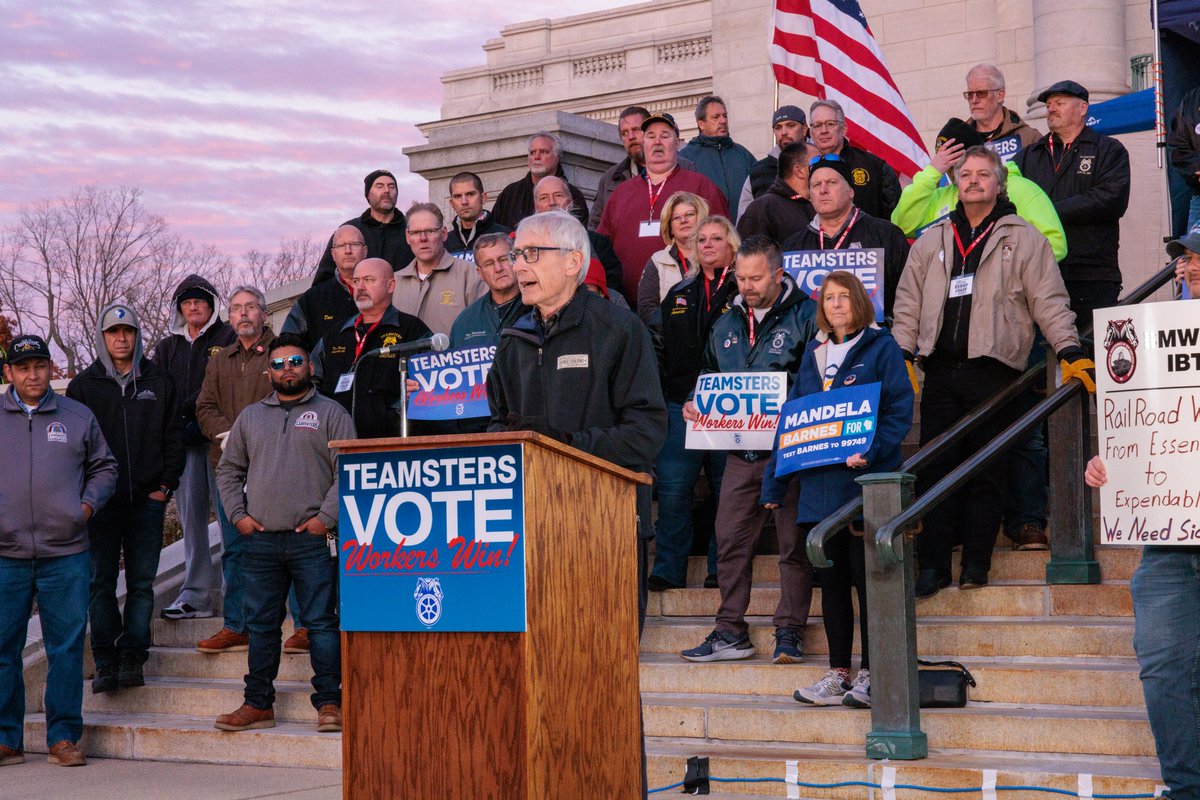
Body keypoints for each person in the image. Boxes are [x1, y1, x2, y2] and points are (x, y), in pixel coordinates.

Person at [891, 146, 1092, 597]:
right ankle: (934, 565)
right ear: (955, 183)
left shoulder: (1023, 237)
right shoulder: (933, 238)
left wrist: (1068, 349)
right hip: (940, 370)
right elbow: (907, 304)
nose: (974, 181)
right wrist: (902, 353)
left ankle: (976, 564)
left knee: (988, 471)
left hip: (997, 371)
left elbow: (1050, 301)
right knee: (935, 468)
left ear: (999, 184)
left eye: (984, 174)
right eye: (966, 174)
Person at [486, 210, 667, 628]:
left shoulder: (618, 329)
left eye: (530, 253)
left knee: (609, 668)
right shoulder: (513, 340)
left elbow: (646, 432)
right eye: (516, 255)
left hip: (606, 524)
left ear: (572, 263)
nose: (517, 266)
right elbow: (494, 422)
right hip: (533, 528)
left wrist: (562, 444)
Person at [1081, 230, 1200, 800]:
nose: (1189, 266)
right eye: (1184, 257)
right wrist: (1115, 463)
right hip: (1168, 537)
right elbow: (1147, 425)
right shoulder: (1151, 339)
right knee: (1163, 666)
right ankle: (1184, 786)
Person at [763, 273, 914, 707]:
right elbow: (792, 423)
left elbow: (898, 411)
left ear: (860, 303)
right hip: (819, 489)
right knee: (830, 585)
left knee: (868, 584)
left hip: (864, 487)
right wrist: (775, 481)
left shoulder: (881, 348)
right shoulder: (813, 354)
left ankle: (871, 672)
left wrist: (873, 450)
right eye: (829, 298)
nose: (836, 305)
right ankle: (837, 673)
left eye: (845, 297)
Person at [679, 236, 818, 664]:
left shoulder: (810, 315)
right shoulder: (726, 321)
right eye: (740, 277)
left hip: (792, 453)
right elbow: (708, 373)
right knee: (730, 541)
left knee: (794, 544)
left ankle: (790, 629)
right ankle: (729, 631)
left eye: (756, 278)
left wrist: (791, 410)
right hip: (741, 454)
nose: (747, 286)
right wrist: (695, 402)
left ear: (779, 274)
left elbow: (822, 378)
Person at [213, 333, 356, 734]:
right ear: (268, 371)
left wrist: (324, 519)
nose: (287, 369)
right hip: (259, 541)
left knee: (321, 624)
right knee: (261, 626)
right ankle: (258, 704)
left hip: (312, 540)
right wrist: (238, 516)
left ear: (309, 366)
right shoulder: (250, 417)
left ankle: (330, 703)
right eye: (278, 364)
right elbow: (228, 471)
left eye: (295, 361)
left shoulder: (332, 413)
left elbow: (348, 472)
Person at [0, 334, 117, 768]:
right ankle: (6, 738)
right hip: (5, 554)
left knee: (65, 647)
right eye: (23, 367)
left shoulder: (76, 415)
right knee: (2, 647)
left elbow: (105, 467)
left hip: (65, 552)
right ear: (8, 373)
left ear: (52, 369)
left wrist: (84, 507)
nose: (33, 375)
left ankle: (64, 736)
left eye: (40, 366)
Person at [66, 305, 183, 693]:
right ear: (102, 336)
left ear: (137, 335)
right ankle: (105, 660)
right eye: (113, 331)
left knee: (141, 583)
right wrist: (84, 498)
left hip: (146, 502)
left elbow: (173, 437)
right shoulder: (84, 387)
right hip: (100, 505)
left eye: (128, 331)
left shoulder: (159, 380)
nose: (121, 338)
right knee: (99, 583)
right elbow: (73, 447)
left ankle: (133, 656)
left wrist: (164, 486)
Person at [194, 287, 294, 655]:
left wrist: (253, 435)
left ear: (264, 314)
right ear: (231, 318)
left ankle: (301, 626)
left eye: (250, 307)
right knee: (234, 549)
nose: (243, 314)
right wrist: (231, 435)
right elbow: (204, 406)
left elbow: (290, 398)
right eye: (236, 309)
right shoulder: (220, 359)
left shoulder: (282, 353)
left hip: (275, 466)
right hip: (229, 469)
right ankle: (237, 625)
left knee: (289, 544)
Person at [650, 215, 740, 591]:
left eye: (716, 238)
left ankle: (721, 567)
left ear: (732, 245)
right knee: (672, 490)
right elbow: (659, 345)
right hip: (680, 403)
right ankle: (669, 567)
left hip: (730, 403)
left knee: (726, 489)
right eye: (701, 239)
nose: (707, 244)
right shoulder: (680, 293)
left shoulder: (745, 290)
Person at [1014, 80, 1130, 324]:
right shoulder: (1028, 156)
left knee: (1092, 351)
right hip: (1039, 270)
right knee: (1041, 355)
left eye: (1059, 103)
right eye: (1049, 104)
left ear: (1083, 108)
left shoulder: (1109, 150)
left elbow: (1111, 199)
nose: (1051, 108)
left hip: (1092, 271)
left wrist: (1048, 212)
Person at [154, 275, 235, 620]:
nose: (193, 307)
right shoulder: (166, 347)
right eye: (186, 302)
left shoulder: (228, 338)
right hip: (185, 447)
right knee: (192, 522)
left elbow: (222, 387)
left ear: (212, 304)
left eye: (199, 301)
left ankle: (237, 594)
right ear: (179, 308)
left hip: (222, 445)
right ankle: (195, 595)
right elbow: (157, 391)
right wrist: (177, 426)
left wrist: (195, 415)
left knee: (232, 519)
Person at [598, 113, 729, 306]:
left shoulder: (701, 186)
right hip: (627, 306)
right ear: (644, 143)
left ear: (677, 143)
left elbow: (725, 240)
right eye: (651, 136)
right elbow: (602, 246)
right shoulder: (621, 193)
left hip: (689, 303)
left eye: (665, 136)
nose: (657, 142)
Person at [891, 119, 1067, 261]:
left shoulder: (1021, 188)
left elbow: (1055, 244)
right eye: (945, 164)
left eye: (957, 163)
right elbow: (902, 226)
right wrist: (930, 174)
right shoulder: (938, 195)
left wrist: (1008, 269)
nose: (952, 172)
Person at [315, 258, 431, 438]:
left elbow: (429, 386)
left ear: (391, 286)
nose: (360, 287)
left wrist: (392, 415)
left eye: (369, 280)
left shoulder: (413, 330)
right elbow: (312, 381)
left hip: (390, 442)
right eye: (356, 281)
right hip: (336, 442)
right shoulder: (335, 334)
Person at [783, 155, 910, 320]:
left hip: (875, 340)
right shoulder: (793, 246)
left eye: (831, 182)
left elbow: (909, 297)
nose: (823, 190)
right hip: (812, 343)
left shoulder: (886, 234)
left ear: (850, 191)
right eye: (816, 185)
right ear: (810, 195)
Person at [392, 202, 486, 337]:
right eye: (416, 232)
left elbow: (481, 331)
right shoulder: (394, 282)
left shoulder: (471, 275)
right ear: (407, 236)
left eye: (430, 231)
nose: (423, 238)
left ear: (444, 234)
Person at [311, 169, 413, 286]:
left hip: (404, 300)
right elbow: (324, 278)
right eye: (379, 186)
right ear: (368, 195)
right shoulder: (349, 230)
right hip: (356, 302)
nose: (386, 190)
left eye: (391, 186)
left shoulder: (413, 230)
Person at [808, 99, 901, 220]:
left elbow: (896, 215)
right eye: (818, 125)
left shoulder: (873, 166)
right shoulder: (802, 169)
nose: (823, 130)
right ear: (811, 132)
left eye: (830, 124)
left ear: (844, 128)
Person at [534, 175, 623, 294]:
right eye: (544, 198)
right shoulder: (526, 247)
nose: (552, 202)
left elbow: (613, 285)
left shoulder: (598, 243)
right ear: (536, 206)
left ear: (570, 200)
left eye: (558, 195)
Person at [281, 224, 364, 352]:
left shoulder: (381, 291)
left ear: (365, 251)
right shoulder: (312, 299)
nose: (348, 250)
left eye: (354, 244)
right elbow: (288, 344)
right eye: (341, 245)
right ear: (333, 254)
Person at [636, 191, 710, 327]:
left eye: (690, 215)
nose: (683, 220)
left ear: (701, 218)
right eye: (676, 218)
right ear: (670, 226)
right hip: (670, 340)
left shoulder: (715, 257)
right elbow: (647, 311)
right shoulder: (658, 261)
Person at [679, 96, 757, 221]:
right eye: (716, 117)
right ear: (701, 124)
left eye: (725, 116)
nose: (723, 121)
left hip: (742, 234)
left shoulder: (743, 154)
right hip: (705, 235)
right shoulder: (686, 158)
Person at [491, 132, 589, 228]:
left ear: (557, 157)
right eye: (532, 153)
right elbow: (494, 231)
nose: (537, 157)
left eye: (543, 152)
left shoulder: (573, 195)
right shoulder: (510, 194)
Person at [450, 234, 527, 349]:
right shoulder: (466, 321)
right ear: (480, 273)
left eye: (503, 259)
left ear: (515, 259)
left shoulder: (538, 306)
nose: (498, 268)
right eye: (489, 264)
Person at [737, 141, 820, 246]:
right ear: (799, 171)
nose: (824, 166)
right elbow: (752, 259)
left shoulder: (822, 204)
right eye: (817, 161)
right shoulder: (762, 210)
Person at [737, 105, 809, 218]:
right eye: (778, 127)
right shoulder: (758, 171)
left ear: (804, 129)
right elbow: (744, 219)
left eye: (791, 125)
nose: (784, 132)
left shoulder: (819, 162)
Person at [963, 64, 1041, 157]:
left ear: (1000, 95)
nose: (974, 100)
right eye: (970, 94)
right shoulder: (959, 140)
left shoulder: (1028, 138)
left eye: (981, 93)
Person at [444, 172, 511, 259]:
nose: (464, 202)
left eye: (470, 194)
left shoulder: (506, 236)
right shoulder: (444, 243)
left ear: (483, 198)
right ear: (452, 203)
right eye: (458, 196)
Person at [1167, 87, 1200, 234]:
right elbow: (1177, 144)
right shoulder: (1191, 99)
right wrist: (1196, 168)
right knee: (1194, 254)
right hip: (1199, 197)